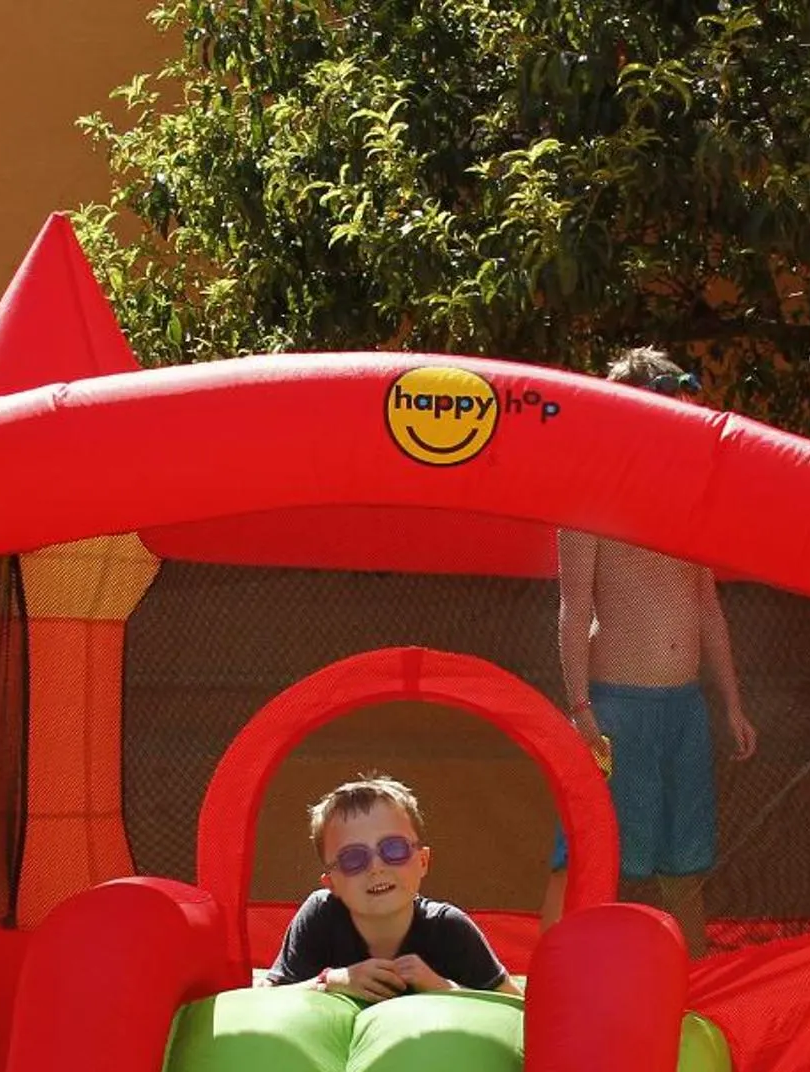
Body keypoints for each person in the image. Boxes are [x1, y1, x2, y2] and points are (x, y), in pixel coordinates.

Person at [543, 347, 758, 957]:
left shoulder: (687, 503)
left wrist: (732, 704)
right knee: (588, 847)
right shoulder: (589, 499)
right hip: (617, 706)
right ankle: (554, 974)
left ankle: (696, 983)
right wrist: (582, 711)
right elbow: (573, 610)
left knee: (684, 858)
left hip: (682, 707)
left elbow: (707, 608)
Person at [263, 777, 518, 1002]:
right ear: (332, 884)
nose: (376, 868)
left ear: (423, 861)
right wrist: (331, 981)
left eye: (393, 849)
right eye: (353, 859)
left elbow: (515, 1006)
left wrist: (440, 987)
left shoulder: (447, 928)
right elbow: (266, 996)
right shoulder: (321, 916)